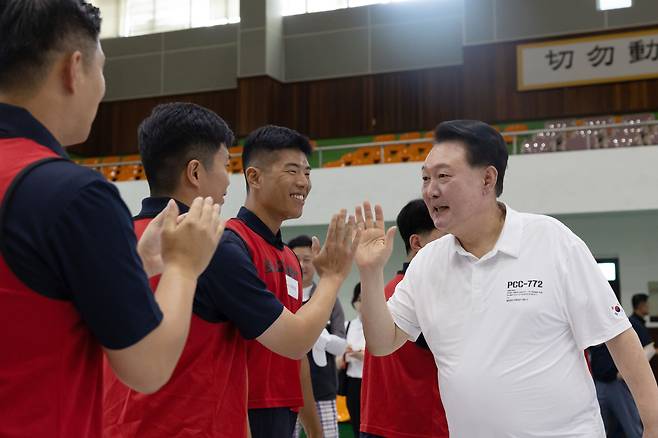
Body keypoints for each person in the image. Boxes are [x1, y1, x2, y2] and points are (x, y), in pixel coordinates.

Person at [0, 2, 223, 437]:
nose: (102, 88)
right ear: (74, 68)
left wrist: (133, 269)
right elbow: (148, 367)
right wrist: (183, 266)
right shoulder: (75, 196)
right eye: (102, 70)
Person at [353, 120, 658, 437]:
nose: (431, 190)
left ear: (487, 178)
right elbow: (382, 341)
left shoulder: (551, 241)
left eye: (443, 176)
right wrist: (370, 273)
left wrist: (653, 425)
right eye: (426, 178)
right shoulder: (427, 263)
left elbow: (619, 336)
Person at [103, 113, 359, 437]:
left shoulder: (117, 238)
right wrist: (334, 275)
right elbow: (294, 341)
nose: (228, 180)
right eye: (225, 166)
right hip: (191, 426)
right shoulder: (216, 245)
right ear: (195, 172)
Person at [360, 199, 449, 438]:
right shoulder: (423, 294)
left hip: (377, 423)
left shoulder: (386, 290)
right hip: (415, 426)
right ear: (417, 243)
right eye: (446, 237)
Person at [289, 235, 347, 438]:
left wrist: (318, 337)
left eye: (307, 259)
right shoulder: (282, 295)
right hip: (288, 391)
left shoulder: (328, 297)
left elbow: (341, 346)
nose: (302, 265)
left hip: (323, 389)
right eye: (297, 259)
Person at [589, 293, 657, 437]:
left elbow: (647, 349)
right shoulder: (593, 324)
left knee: (632, 426)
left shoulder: (627, 323)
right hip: (599, 382)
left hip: (616, 382)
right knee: (602, 427)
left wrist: (625, 374)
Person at [340, 283, 367, 437]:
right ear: (355, 302)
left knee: (371, 426)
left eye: (366, 299)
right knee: (356, 425)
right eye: (360, 299)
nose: (363, 304)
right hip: (352, 383)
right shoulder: (347, 326)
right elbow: (337, 359)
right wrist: (345, 354)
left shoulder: (379, 326)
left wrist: (361, 356)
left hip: (372, 382)